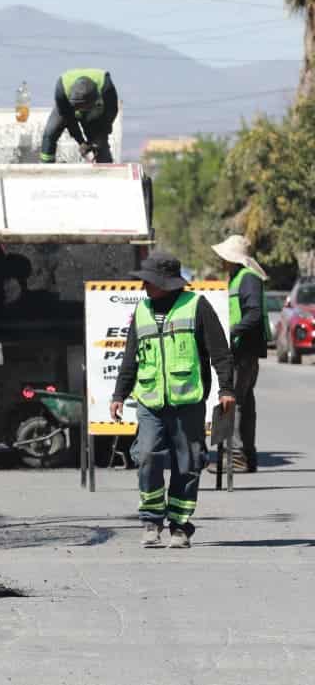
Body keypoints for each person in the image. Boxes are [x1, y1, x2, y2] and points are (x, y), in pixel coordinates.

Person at [109, 251, 234, 549]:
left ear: (167, 283)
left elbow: (220, 352)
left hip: (187, 402)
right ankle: (151, 521)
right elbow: (130, 360)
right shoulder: (141, 311)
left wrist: (226, 389)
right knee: (147, 455)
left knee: (187, 464)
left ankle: (180, 525)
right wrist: (118, 395)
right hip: (150, 403)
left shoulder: (196, 307)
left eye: (149, 281)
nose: (144, 286)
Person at [211, 234, 269, 473]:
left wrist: (231, 330)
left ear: (232, 260)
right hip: (241, 350)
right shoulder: (238, 278)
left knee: (233, 402)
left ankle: (235, 457)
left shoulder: (247, 279)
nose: (221, 262)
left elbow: (253, 314)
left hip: (243, 351)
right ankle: (247, 457)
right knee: (244, 404)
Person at [40, 69, 119, 164]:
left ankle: (105, 167)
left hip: (95, 109)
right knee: (50, 133)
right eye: (77, 107)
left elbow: (110, 114)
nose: (79, 112)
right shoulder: (62, 91)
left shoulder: (106, 88)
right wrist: (81, 142)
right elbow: (69, 120)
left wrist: (100, 137)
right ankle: (46, 166)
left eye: (83, 107)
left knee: (99, 143)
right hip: (68, 106)